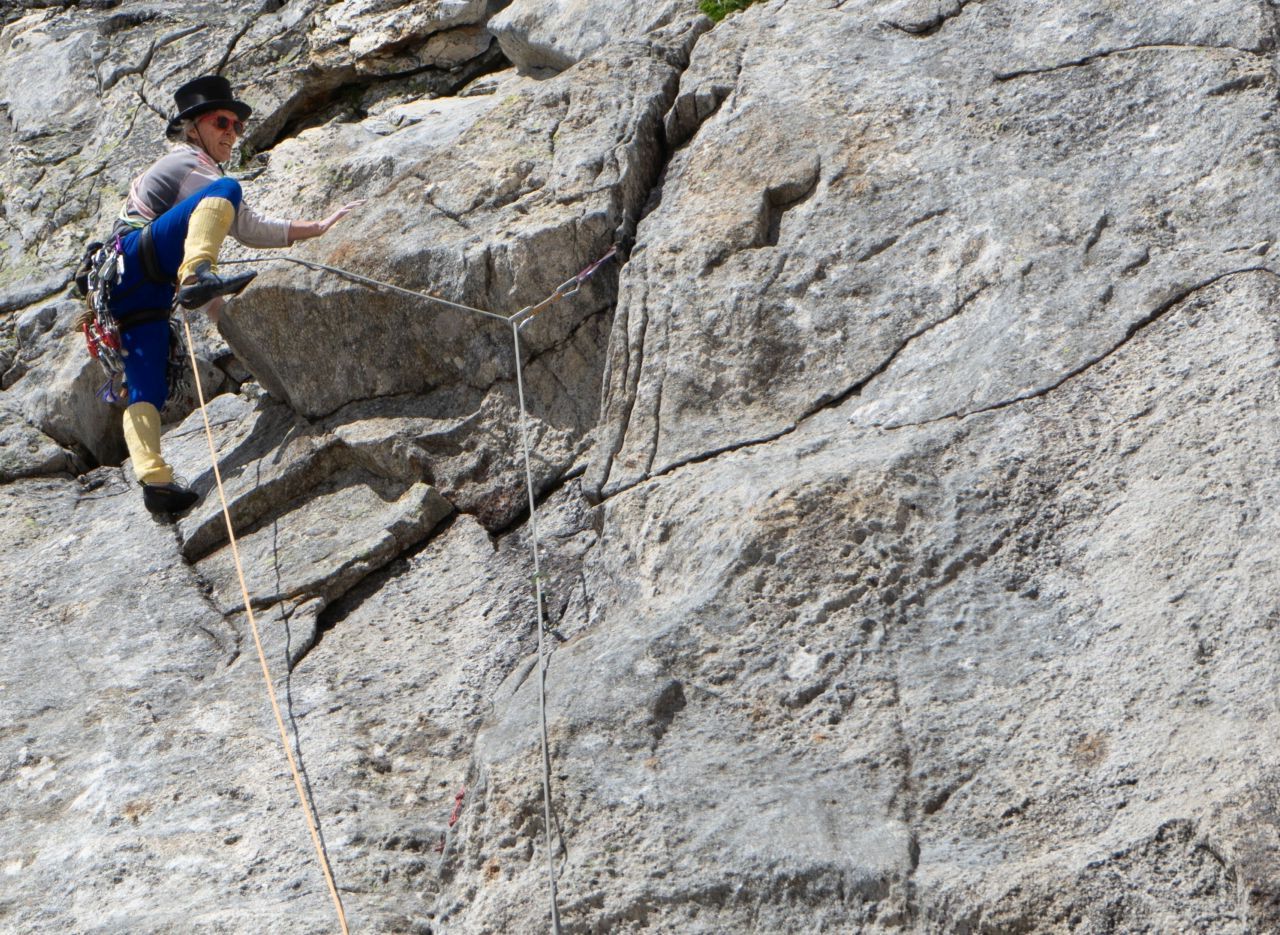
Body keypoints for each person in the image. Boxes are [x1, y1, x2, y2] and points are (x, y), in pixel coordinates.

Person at [108, 74, 363, 516]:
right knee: (228, 188)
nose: (232, 133)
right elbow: (244, 224)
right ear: (193, 129)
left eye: (238, 126)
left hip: (130, 286)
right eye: (222, 122)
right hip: (141, 259)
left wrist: (316, 229)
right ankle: (196, 272)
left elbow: (234, 228)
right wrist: (315, 228)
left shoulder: (192, 169)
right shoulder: (188, 162)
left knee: (146, 382)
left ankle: (155, 483)